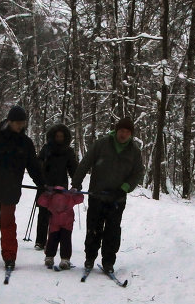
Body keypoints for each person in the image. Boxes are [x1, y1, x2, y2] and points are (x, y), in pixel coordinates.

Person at [72, 116, 144, 274]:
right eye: (121, 130)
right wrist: (76, 183)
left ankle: (108, 262)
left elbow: (138, 173)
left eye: (127, 132)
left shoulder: (134, 152)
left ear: (131, 134)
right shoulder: (102, 144)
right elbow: (85, 163)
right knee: (93, 229)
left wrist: (124, 188)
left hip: (117, 199)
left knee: (112, 232)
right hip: (97, 196)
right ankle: (90, 258)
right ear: (116, 131)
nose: (123, 134)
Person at [0, 105, 45, 271]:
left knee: (7, 224)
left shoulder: (25, 143)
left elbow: (33, 166)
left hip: (10, 189)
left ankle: (9, 255)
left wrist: (42, 184)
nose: (20, 126)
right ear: (9, 121)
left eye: (23, 123)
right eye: (17, 123)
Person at [35, 123, 78, 249]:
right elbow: (38, 163)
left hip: (61, 187)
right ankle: (40, 241)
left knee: (58, 216)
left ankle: (53, 241)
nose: (59, 138)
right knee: (43, 213)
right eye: (57, 136)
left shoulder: (68, 151)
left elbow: (73, 169)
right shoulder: (46, 149)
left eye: (61, 136)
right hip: (45, 185)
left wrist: (76, 184)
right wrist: (40, 174)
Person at [37, 186, 83, 269]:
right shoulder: (69, 196)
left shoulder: (52, 196)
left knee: (53, 239)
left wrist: (46, 194)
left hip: (56, 221)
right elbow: (80, 199)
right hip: (66, 222)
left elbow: (41, 202)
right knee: (65, 241)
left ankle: (50, 257)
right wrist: (77, 192)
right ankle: (64, 259)